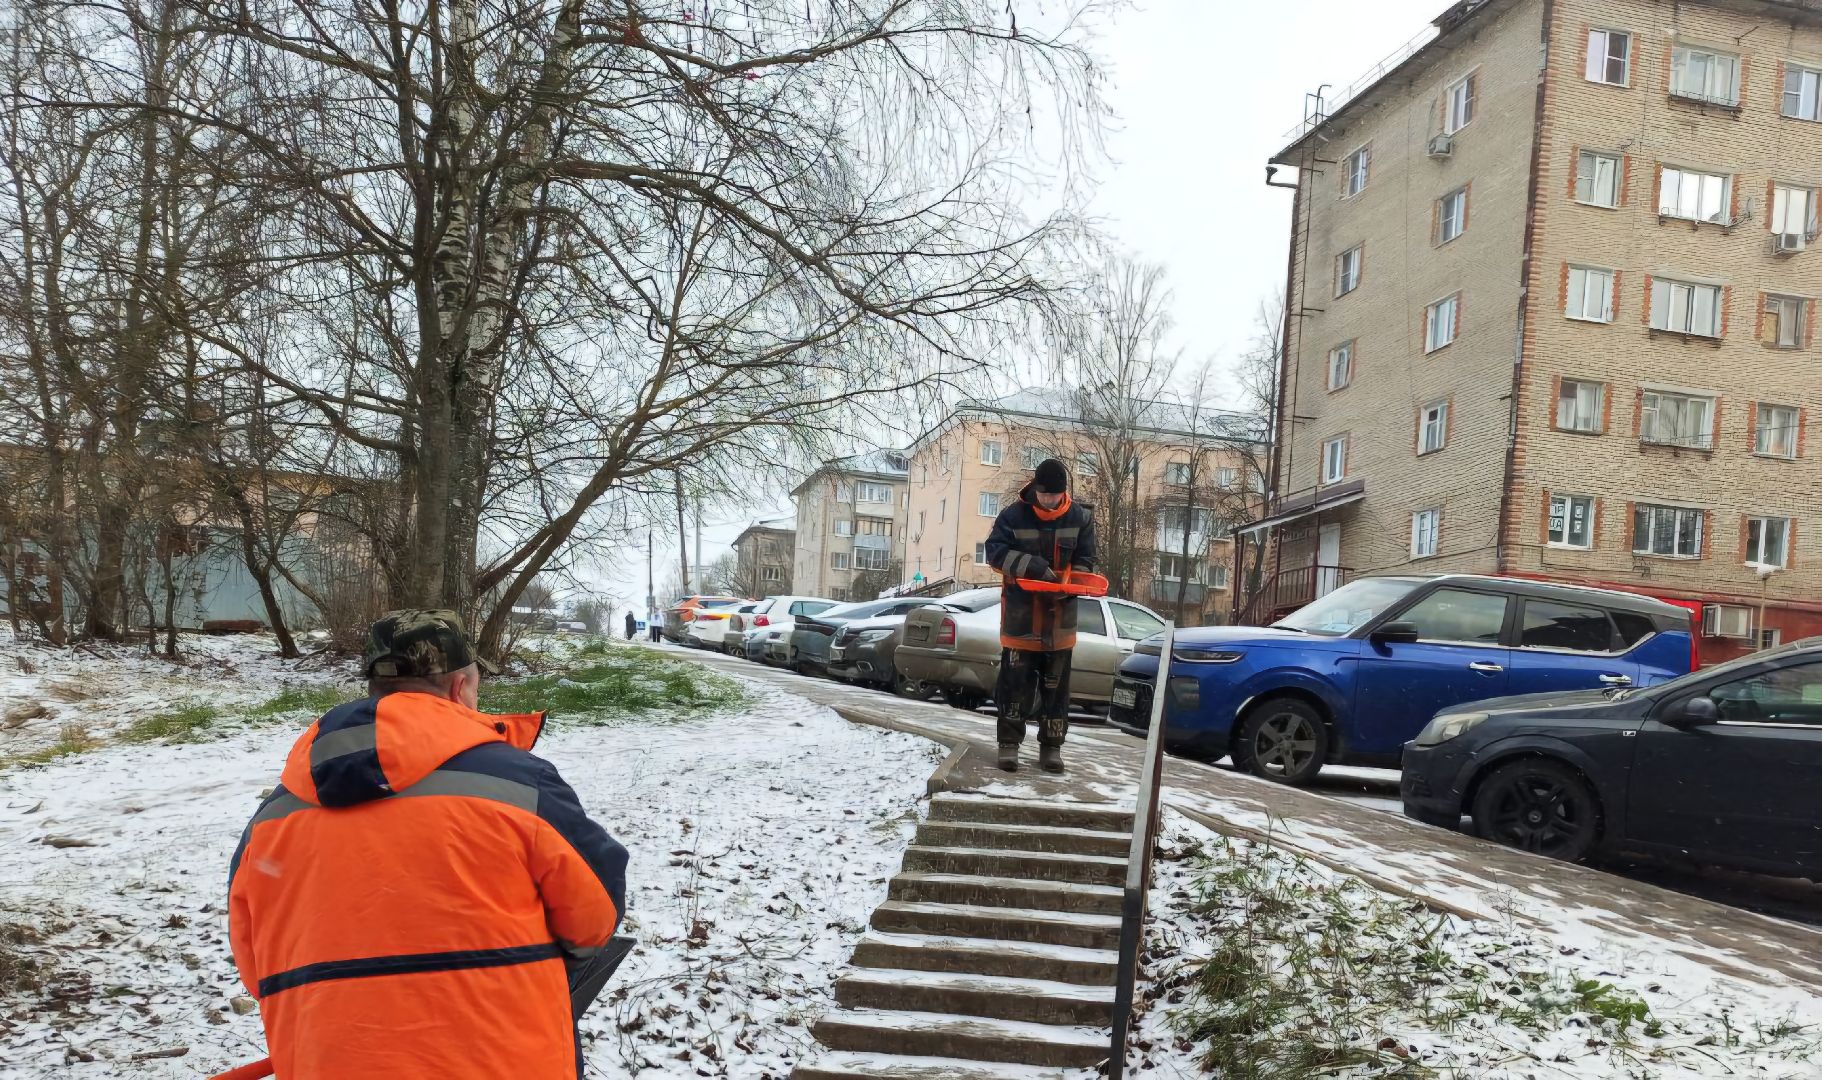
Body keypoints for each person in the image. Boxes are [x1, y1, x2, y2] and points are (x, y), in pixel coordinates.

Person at [227, 610, 629, 1079]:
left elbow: (255, 961)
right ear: (461, 688)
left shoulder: (274, 816)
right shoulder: (519, 785)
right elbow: (594, 917)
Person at [984, 458, 1097, 774]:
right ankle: (1008, 746)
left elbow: (1088, 560)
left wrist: (1072, 585)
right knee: (1013, 686)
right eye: (1045, 495)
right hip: (1021, 619)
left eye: (1055, 496)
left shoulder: (1081, 519)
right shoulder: (1012, 516)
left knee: (1057, 689)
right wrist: (1030, 565)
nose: (1050, 501)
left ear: (1064, 493)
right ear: (1035, 489)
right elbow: (994, 552)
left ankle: (1051, 748)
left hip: (1060, 620)